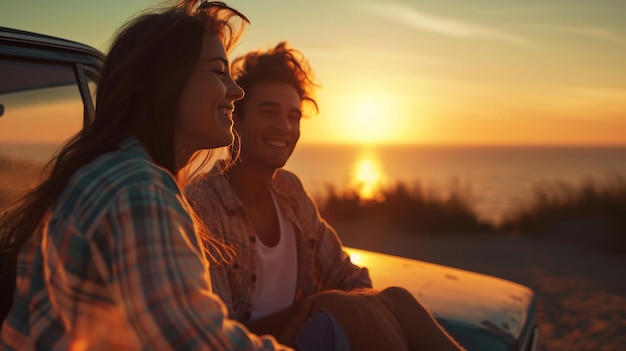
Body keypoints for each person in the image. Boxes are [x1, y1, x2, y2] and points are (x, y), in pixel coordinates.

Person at [0, 2, 294, 349]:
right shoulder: (134, 188)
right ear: (165, 83)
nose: (236, 90)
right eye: (218, 72)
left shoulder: (114, 173)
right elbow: (195, 342)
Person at [186, 43, 466, 350]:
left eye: (294, 117)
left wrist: (337, 304)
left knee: (396, 298)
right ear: (235, 120)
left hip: (306, 334)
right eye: (269, 112)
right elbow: (217, 334)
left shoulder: (289, 192)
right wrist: (321, 305)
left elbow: (349, 277)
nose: (285, 127)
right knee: (340, 307)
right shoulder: (203, 205)